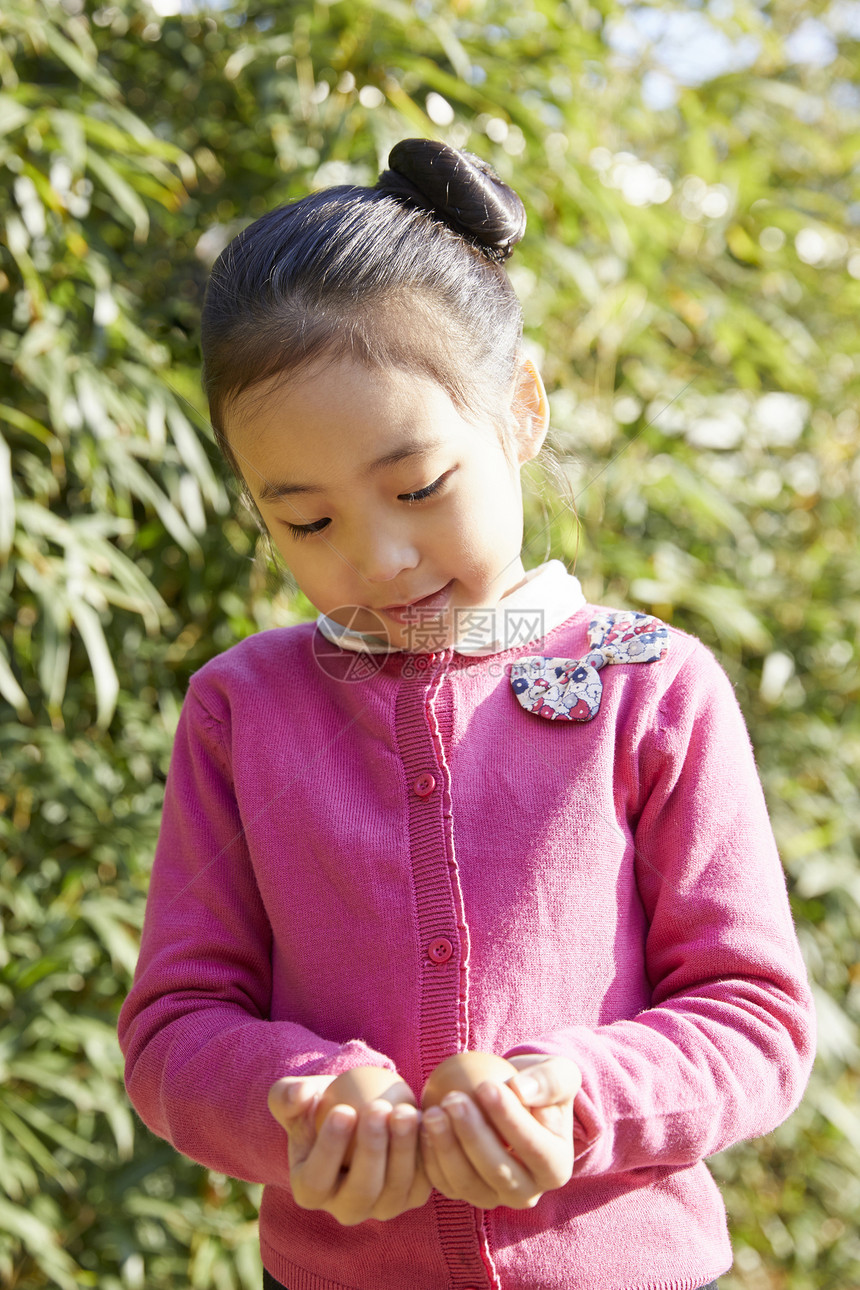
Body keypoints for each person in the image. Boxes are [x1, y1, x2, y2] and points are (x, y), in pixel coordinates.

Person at [117, 139, 816, 1290]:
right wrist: (296, 1104)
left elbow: (753, 1018)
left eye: (417, 489)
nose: (380, 559)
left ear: (522, 409)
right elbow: (174, 1030)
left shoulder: (653, 685)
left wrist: (576, 1098)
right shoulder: (240, 711)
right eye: (305, 523)